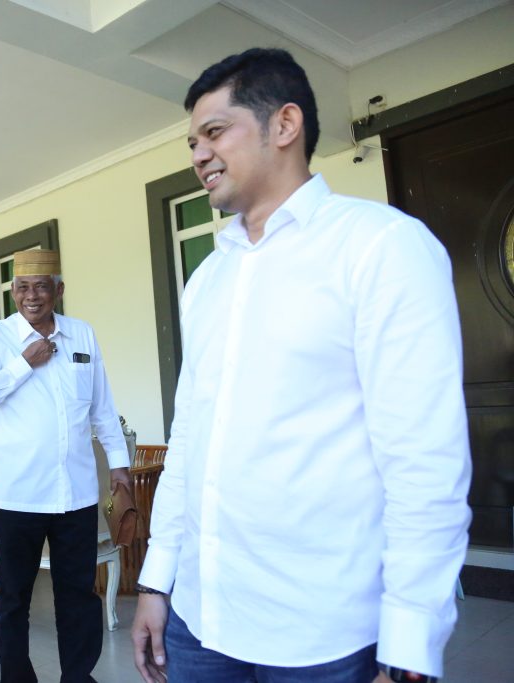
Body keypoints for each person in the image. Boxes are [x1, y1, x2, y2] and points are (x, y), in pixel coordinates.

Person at [131, 48, 471, 683]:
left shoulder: (380, 247)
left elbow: (425, 460)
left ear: (283, 125)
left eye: (214, 132)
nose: (198, 154)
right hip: (203, 620)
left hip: (328, 630)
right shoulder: (206, 280)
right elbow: (190, 444)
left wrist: (409, 647)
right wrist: (157, 581)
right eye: (192, 142)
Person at [0, 249, 131, 683]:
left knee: (78, 595)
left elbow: (103, 408)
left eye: (41, 287)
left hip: (75, 494)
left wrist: (119, 468)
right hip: (17, 495)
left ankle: (79, 677)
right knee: (13, 599)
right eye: (22, 288)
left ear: (59, 290)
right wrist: (23, 364)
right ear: (13, 292)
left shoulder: (82, 334)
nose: (31, 296)